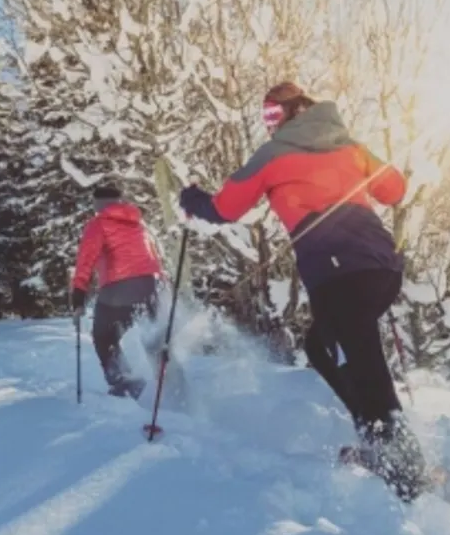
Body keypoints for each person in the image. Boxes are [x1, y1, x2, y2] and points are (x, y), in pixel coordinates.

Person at [179, 82, 425, 498]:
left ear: (297, 111)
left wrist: (192, 199)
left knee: (359, 356)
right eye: (266, 118)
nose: (269, 125)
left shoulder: (274, 154)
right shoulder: (348, 143)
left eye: (273, 115)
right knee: (324, 346)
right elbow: (395, 191)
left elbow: (226, 208)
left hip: (338, 272)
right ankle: (378, 438)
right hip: (380, 267)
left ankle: (402, 466)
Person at [71, 182, 166, 400]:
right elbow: (154, 259)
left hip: (118, 289)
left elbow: (86, 261)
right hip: (151, 287)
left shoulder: (98, 224)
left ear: (98, 204)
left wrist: (78, 296)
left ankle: (127, 385)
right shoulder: (139, 224)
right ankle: (174, 387)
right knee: (155, 340)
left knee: (104, 337)